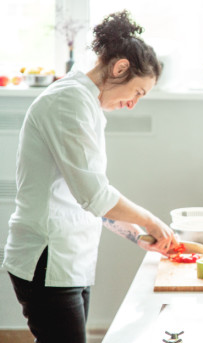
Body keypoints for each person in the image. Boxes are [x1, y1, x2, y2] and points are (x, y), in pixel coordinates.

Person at [3, 10, 178, 343]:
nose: (132, 105)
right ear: (120, 68)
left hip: (69, 259)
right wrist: (151, 221)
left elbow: (88, 197)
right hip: (47, 258)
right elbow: (96, 196)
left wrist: (137, 237)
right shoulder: (67, 103)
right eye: (138, 93)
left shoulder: (83, 103)